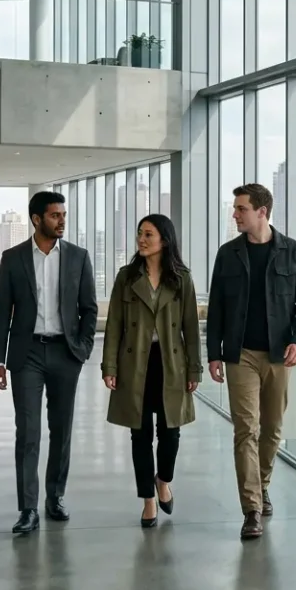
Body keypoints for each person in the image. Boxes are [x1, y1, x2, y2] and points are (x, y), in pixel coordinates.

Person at [206, 183, 296, 539]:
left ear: (262, 212)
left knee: (272, 429)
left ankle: (262, 484)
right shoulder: (228, 254)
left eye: (240, 209)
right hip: (240, 356)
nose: (235, 214)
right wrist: (214, 354)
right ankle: (251, 508)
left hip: (278, 356)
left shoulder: (293, 253)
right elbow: (217, 308)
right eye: (235, 209)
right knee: (245, 430)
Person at [0, 190, 98, 534]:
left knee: (61, 430)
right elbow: (2, 311)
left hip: (66, 353)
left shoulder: (78, 257)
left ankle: (55, 497)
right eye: (55, 215)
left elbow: (89, 308)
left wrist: (82, 348)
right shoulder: (13, 257)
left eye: (63, 215)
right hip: (27, 354)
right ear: (37, 219)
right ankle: (28, 509)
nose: (62, 220)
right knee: (28, 433)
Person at [101, 214, 202, 528]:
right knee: (139, 434)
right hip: (135, 363)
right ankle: (147, 499)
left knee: (171, 432)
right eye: (139, 234)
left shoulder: (181, 278)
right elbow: (114, 324)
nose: (141, 240)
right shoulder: (126, 276)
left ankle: (163, 480)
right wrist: (110, 366)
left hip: (171, 362)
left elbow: (191, 327)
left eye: (148, 234)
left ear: (165, 240)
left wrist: (194, 369)